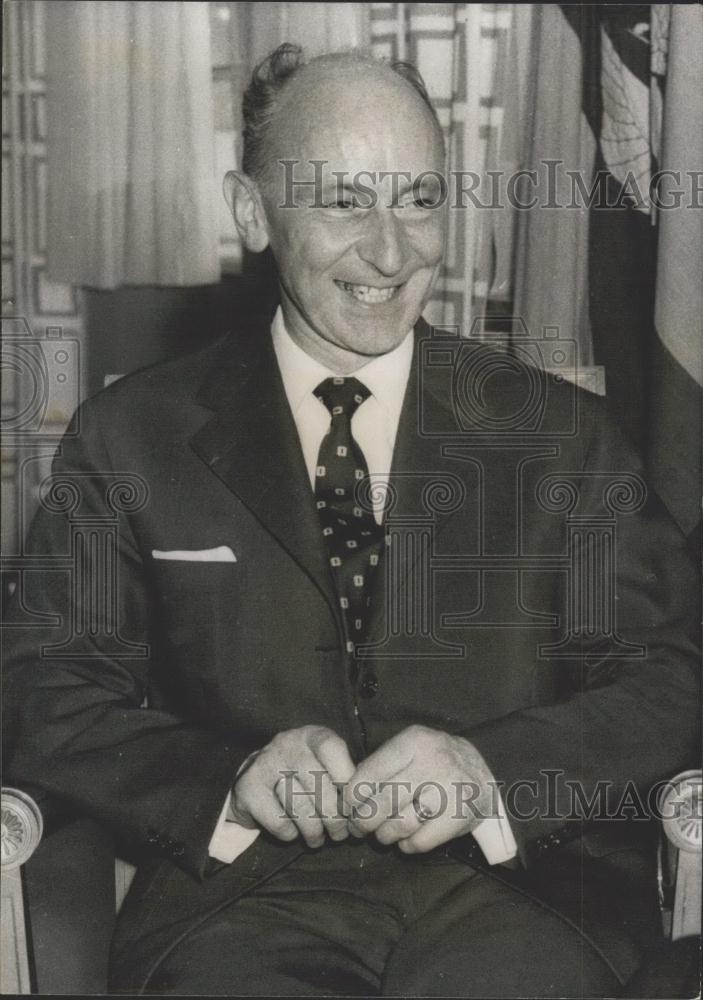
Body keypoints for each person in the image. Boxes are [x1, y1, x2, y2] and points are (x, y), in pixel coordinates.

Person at [4, 45, 699, 997]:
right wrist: (232, 774)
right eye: (340, 201)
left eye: (417, 197)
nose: (390, 250)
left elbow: (669, 675)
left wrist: (490, 769)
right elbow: (49, 692)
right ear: (252, 211)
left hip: (522, 900)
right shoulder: (130, 435)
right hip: (237, 905)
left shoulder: (561, 436)